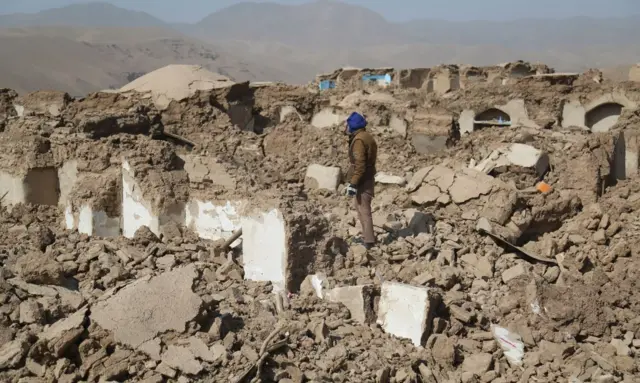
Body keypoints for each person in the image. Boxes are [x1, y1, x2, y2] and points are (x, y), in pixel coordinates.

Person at [344, 112, 378, 249]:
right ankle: (367, 238)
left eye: (347, 125)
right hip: (367, 177)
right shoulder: (366, 136)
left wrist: (353, 183)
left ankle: (369, 241)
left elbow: (360, 165)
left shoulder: (359, 141)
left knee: (363, 209)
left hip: (364, 180)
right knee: (362, 208)